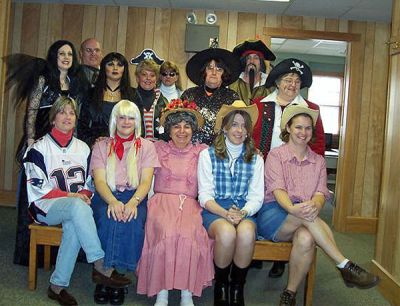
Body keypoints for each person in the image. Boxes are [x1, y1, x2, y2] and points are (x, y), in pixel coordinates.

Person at [257, 104, 379, 306]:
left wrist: (315, 202)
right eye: (298, 127)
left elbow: (322, 192)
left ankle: (289, 294)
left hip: (305, 216)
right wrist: (292, 208)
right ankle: (344, 265)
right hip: (275, 214)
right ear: (288, 128)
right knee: (305, 215)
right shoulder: (276, 156)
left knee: (305, 239)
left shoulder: (318, 161)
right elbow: (277, 189)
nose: (303, 132)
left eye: (307, 128)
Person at [23, 96, 131, 306]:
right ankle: (100, 264)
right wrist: (74, 197)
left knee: (74, 222)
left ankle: (57, 286)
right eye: (62, 112)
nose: (67, 116)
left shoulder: (83, 148)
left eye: (71, 113)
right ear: (53, 118)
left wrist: (82, 196)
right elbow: (38, 189)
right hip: (44, 206)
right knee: (77, 207)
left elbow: (90, 183)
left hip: (76, 207)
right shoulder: (37, 149)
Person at [6, 39, 89, 266]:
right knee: (36, 192)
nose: (65, 57)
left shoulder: (76, 82)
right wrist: (31, 140)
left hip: (65, 141)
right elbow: (32, 111)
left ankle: (65, 252)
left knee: (64, 188)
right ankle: (29, 252)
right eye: (61, 53)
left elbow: (75, 114)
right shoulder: (43, 79)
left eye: (70, 54)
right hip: (42, 139)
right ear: (54, 56)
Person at [253, 57, 326, 278]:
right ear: (277, 82)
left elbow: (319, 143)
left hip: (297, 174)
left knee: (294, 209)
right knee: (263, 208)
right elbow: (250, 137)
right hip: (266, 172)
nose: (292, 84)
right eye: (287, 79)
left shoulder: (311, 109)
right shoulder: (259, 106)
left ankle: (281, 261)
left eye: (296, 80)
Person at [136, 99, 214, 306]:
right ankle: (161, 290)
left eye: (187, 126)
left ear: (193, 129)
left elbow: (227, 155)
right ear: (168, 129)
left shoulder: (203, 151)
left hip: (190, 204)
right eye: (176, 126)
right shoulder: (157, 148)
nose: (182, 131)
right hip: (161, 202)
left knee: (190, 234)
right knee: (166, 233)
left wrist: (254, 151)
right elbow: (131, 144)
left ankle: (186, 291)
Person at [90, 100, 160, 305]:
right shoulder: (101, 146)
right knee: (107, 218)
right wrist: (112, 201)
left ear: (137, 121)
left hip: (135, 195)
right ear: (114, 120)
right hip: (107, 195)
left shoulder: (147, 147)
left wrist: (133, 202)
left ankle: (115, 274)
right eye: (122, 117)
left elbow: (146, 181)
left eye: (131, 117)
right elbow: (100, 181)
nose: (126, 121)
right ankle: (107, 276)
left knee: (133, 221)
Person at [198, 100, 264, 306]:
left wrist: (244, 212)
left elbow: (257, 196)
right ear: (225, 128)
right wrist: (225, 214)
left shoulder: (256, 158)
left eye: (244, 125)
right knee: (227, 234)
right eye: (234, 124)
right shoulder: (207, 155)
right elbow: (205, 196)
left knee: (245, 233)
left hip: (244, 209)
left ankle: (237, 286)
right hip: (215, 209)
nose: (239, 130)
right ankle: (221, 285)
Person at [181, 47, 241, 145]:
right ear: (204, 71)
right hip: (191, 150)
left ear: (224, 73)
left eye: (219, 69)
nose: (214, 73)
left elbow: (237, 126)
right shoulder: (189, 95)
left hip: (220, 151)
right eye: (210, 68)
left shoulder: (232, 97)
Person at [78, 52, 136, 148]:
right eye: (110, 64)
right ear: (103, 68)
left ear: (124, 69)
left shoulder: (133, 94)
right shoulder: (90, 93)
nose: (115, 68)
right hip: (96, 147)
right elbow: (82, 125)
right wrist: (93, 141)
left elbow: (139, 124)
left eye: (120, 65)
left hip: (126, 148)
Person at [230, 39, 276, 105]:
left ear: (261, 63)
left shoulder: (269, 86)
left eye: (256, 58)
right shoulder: (233, 83)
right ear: (244, 62)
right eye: (248, 58)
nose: (252, 61)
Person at [134, 59, 168, 141]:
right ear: (138, 78)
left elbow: (166, 129)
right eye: (144, 74)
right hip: (134, 146)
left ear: (156, 79)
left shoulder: (163, 101)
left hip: (157, 148)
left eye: (152, 75)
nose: (148, 78)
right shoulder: (130, 98)